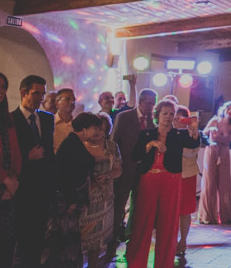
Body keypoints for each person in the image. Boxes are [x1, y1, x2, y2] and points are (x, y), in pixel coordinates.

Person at [128, 99, 200, 268]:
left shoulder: (179, 135)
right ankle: (137, 262)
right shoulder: (146, 134)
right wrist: (150, 144)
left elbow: (194, 143)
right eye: (164, 113)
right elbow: (134, 155)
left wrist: (195, 129)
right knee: (143, 221)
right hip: (148, 179)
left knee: (168, 222)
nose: (168, 117)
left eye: (171, 114)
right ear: (157, 115)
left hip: (171, 180)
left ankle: (164, 263)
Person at [43, 112, 103, 268]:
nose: (97, 132)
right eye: (94, 128)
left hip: (70, 200)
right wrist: (72, 202)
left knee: (66, 241)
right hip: (67, 201)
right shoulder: (72, 145)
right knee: (65, 241)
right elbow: (66, 176)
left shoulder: (75, 143)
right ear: (84, 128)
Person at [11, 74, 55, 268]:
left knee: (38, 235)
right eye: (36, 93)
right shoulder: (10, 119)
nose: (40, 98)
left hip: (43, 187)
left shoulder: (46, 118)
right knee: (20, 237)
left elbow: (50, 154)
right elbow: (7, 155)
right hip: (21, 187)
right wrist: (25, 157)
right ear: (23, 93)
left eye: (42, 94)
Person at [111, 87, 157, 245]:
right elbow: (113, 142)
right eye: (149, 103)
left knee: (138, 204)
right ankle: (114, 233)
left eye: (153, 103)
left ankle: (132, 232)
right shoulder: (124, 117)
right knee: (120, 203)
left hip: (143, 170)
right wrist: (116, 165)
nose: (151, 107)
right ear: (141, 101)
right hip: (125, 168)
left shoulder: (153, 121)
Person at [0, 71, 22, 267]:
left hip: (10, 189)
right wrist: (3, 180)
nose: (1, 91)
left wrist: (14, 179)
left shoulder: (7, 117)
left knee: (6, 245)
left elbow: (15, 151)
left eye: (3, 87)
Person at [81, 111, 122, 268]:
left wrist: (108, 175)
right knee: (81, 237)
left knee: (98, 239)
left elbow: (119, 169)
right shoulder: (81, 144)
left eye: (102, 129)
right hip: (85, 198)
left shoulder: (112, 146)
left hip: (105, 198)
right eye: (96, 128)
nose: (98, 132)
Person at [199, 101, 231, 224]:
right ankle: (207, 216)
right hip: (212, 151)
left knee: (224, 183)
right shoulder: (215, 120)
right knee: (209, 183)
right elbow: (203, 133)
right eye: (228, 109)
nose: (230, 112)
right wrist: (210, 129)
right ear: (223, 109)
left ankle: (226, 215)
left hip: (224, 153)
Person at [175, 105, 199, 261]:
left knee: (185, 211)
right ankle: (171, 242)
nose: (180, 121)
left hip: (188, 174)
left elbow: (192, 152)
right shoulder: (168, 133)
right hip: (171, 174)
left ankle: (183, 241)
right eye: (177, 118)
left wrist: (194, 130)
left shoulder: (194, 134)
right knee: (172, 210)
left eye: (184, 118)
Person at [53, 87, 76, 152]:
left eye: (74, 100)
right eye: (67, 99)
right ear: (57, 103)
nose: (72, 102)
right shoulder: (50, 123)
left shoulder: (77, 124)